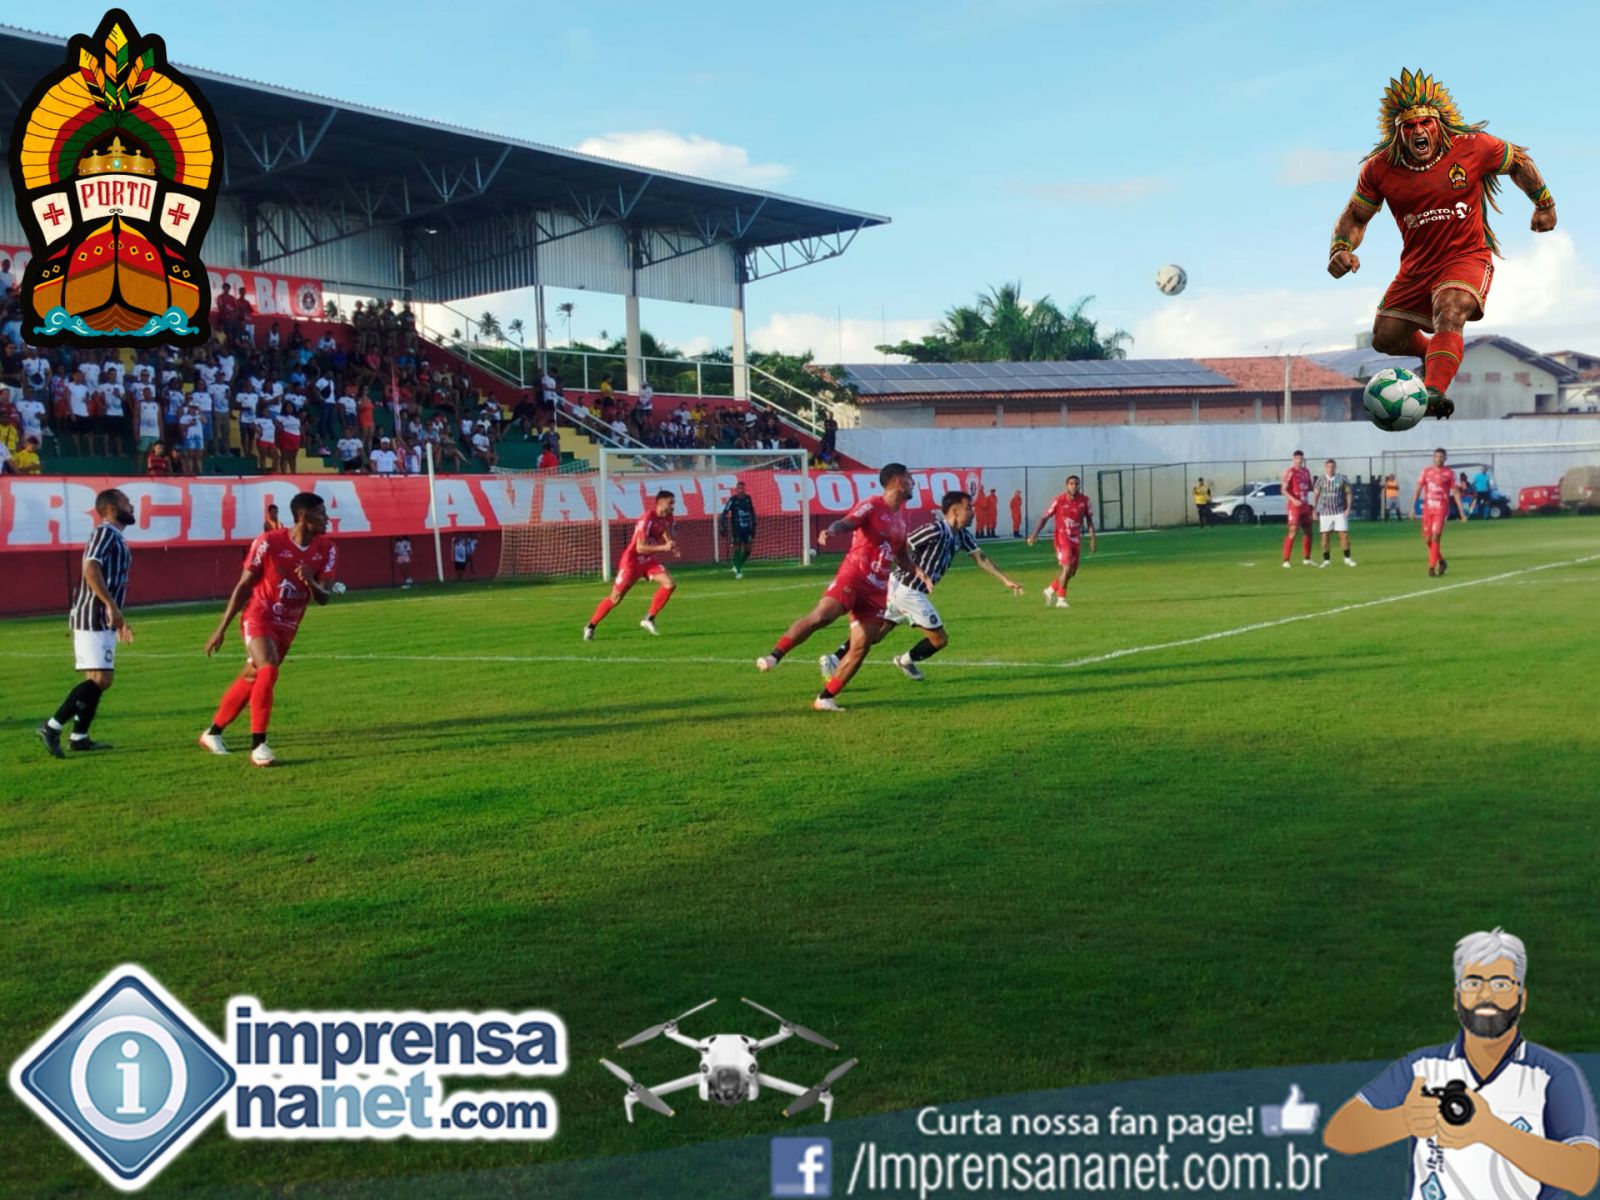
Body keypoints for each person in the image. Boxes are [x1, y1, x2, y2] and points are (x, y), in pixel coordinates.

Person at [1328, 70, 1557, 419]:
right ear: (1397, 132)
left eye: (1425, 123)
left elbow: (1519, 161)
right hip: (1417, 268)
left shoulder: (1473, 146)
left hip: (1466, 257)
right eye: (1409, 126)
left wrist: (1544, 204)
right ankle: (1433, 352)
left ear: (1438, 124)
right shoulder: (1379, 168)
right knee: (1385, 338)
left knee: (1450, 311)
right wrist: (1342, 249)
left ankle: (1433, 389)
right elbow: (1356, 217)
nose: (1418, 131)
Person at [1323, 927, 1599, 1200]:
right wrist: (1404, 1120)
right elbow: (1340, 1133)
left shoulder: (1552, 1075)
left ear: (1522, 998)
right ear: (1456, 998)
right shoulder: (1422, 1067)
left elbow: (1583, 1175)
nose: (1485, 995)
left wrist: (1489, 1130)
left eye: (1501, 984)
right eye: (1472, 983)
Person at [756, 463, 932, 712]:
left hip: (877, 590)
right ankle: (775, 656)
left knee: (861, 646)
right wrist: (831, 530)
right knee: (823, 616)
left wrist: (918, 571)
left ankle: (825, 698)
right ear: (896, 481)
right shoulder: (872, 504)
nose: (913, 482)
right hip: (854, 576)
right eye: (909, 477)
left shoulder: (904, 515)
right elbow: (848, 522)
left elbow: (901, 556)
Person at [820, 490, 1024, 682]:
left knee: (876, 633)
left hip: (903, 589)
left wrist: (1005, 580)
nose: (973, 512)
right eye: (969, 508)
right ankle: (905, 660)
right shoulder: (934, 530)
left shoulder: (962, 535)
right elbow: (903, 545)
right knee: (939, 639)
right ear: (955, 511)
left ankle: (834, 659)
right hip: (908, 590)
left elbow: (981, 558)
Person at [200, 492, 338, 767]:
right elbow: (244, 585)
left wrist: (310, 581)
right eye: (322, 513)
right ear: (303, 516)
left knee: (254, 676)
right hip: (259, 615)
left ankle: (212, 733)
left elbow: (324, 597)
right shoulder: (269, 542)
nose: (327, 519)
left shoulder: (327, 548)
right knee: (269, 666)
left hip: (289, 623)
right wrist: (221, 628)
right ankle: (259, 745)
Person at [36, 489, 135, 758]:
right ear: (112, 507)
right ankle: (51, 726)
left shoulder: (114, 536)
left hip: (101, 614)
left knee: (97, 678)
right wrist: (110, 606)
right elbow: (90, 567)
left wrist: (118, 616)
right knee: (102, 679)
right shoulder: (105, 532)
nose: (132, 506)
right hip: (92, 614)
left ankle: (79, 736)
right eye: (127, 502)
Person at [583, 490, 679, 639]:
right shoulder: (647, 518)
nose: (673, 506)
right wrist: (664, 547)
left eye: (673, 503)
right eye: (670, 503)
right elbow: (639, 548)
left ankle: (649, 618)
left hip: (648, 560)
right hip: (632, 562)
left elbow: (664, 530)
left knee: (670, 583)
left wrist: (671, 544)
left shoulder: (668, 517)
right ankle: (591, 626)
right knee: (615, 598)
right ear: (660, 503)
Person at [1028, 474, 1097, 608]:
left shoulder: (1085, 501)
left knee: (1072, 572)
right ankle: (1061, 600)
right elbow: (1044, 518)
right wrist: (1034, 534)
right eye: (1071, 484)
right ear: (1066, 485)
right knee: (1067, 567)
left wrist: (1093, 538)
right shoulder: (1059, 500)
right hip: (1062, 538)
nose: (1074, 486)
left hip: (1075, 538)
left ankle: (1050, 590)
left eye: (1076, 484)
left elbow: (1089, 521)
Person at [1413, 447, 1468, 577]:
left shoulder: (1449, 473)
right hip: (1427, 509)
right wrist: (1412, 508)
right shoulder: (1426, 472)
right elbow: (1418, 489)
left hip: (1441, 508)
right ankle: (1441, 561)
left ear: (1445, 458)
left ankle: (1431, 567)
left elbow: (1456, 492)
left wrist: (1461, 512)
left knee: (1435, 536)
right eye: (1436, 456)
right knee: (1427, 540)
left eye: (1441, 457)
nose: (1438, 459)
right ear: (1433, 457)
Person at [1312, 459, 1358, 567]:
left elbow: (1349, 493)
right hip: (1325, 512)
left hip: (1339, 512)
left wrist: (1348, 508)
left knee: (1344, 535)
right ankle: (1326, 560)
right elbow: (1316, 495)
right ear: (1325, 468)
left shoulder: (1342, 479)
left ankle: (1347, 558)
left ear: (1335, 467)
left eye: (1332, 467)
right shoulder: (1320, 480)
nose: (1330, 469)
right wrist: (1314, 510)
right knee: (1325, 537)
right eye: (1328, 467)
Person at [1281, 450, 1315, 568]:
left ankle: (1307, 559)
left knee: (1308, 530)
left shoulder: (1306, 472)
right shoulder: (1290, 472)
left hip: (1305, 505)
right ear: (1293, 459)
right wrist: (1293, 500)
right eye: (1297, 459)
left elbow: (1310, 487)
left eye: (1301, 458)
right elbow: (1283, 489)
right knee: (1293, 530)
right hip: (1294, 506)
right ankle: (1286, 560)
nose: (1299, 461)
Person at [719, 480, 757, 578]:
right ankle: (738, 572)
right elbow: (724, 512)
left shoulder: (748, 499)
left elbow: (752, 511)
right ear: (737, 489)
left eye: (743, 488)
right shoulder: (733, 500)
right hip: (737, 529)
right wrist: (723, 524)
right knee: (737, 549)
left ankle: (736, 566)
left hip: (747, 528)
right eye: (739, 488)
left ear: (745, 489)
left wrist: (754, 524)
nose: (741, 490)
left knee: (748, 550)